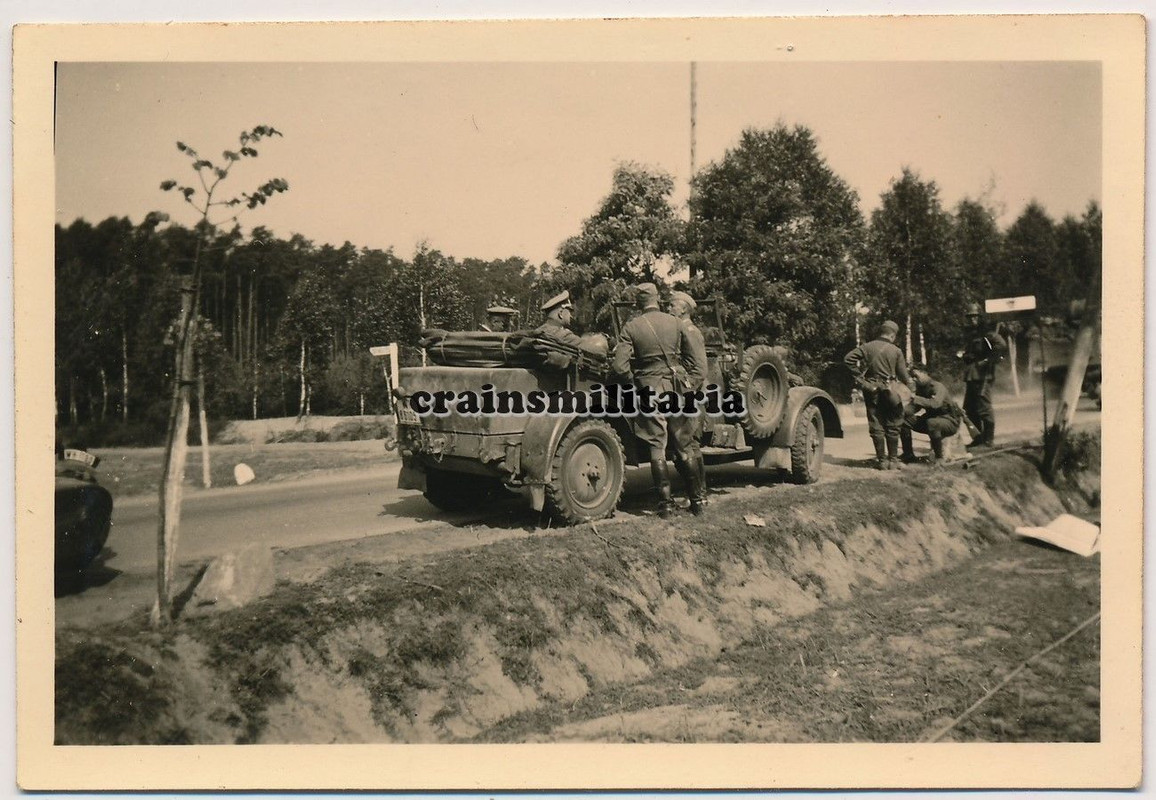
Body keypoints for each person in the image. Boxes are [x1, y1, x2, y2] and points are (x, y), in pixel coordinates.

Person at [612, 283, 708, 517]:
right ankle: (697, 502)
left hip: (649, 389)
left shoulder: (631, 326)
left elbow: (619, 367)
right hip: (675, 389)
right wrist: (688, 384)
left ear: (639, 303)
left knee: (657, 446)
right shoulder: (676, 323)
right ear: (657, 299)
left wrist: (636, 383)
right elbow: (697, 364)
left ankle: (665, 506)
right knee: (684, 444)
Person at [844, 320, 911, 470]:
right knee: (894, 422)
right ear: (892, 335)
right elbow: (903, 375)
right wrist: (909, 386)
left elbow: (848, 359)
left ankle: (882, 461)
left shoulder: (867, 347)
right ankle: (893, 460)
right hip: (891, 389)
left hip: (871, 388)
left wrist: (860, 378)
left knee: (876, 422)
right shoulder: (896, 351)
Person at [667, 290, 709, 512]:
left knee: (685, 443)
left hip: (690, 395)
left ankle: (698, 497)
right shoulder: (681, 329)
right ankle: (699, 495)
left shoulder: (688, 331)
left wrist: (686, 390)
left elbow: (700, 369)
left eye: (672, 305)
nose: (669, 308)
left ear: (683, 308)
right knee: (689, 444)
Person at [959, 302, 1007, 448]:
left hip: (982, 376)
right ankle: (978, 438)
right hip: (971, 375)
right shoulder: (971, 334)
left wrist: (987, 360)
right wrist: (965, 355)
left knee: (984, 408)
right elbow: (970, 352)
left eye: (975, 317)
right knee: (969, 409)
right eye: (970, 317)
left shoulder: (987, 333)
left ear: (980, 317)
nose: (972, 319)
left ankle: (989, 439)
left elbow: (1001, 345)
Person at [900, 363, 962, 465]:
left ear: (924, 373)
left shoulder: (937, 386)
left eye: (915, 376)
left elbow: (935, 404)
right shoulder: (921, 389)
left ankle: (939, 458)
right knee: (904, 421)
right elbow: (913, 408)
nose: (914, 379)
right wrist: (899, 413)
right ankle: (908, 454)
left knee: (932, 422)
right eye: (912, 377)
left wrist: (915, 398)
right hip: (932, 421)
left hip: (949, 421)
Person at [534, 291, 584, 370]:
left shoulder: (537, 331)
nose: (571, 316)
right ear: (560, 313)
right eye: (569, 311)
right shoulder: (563, 335)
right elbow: (589, 348)